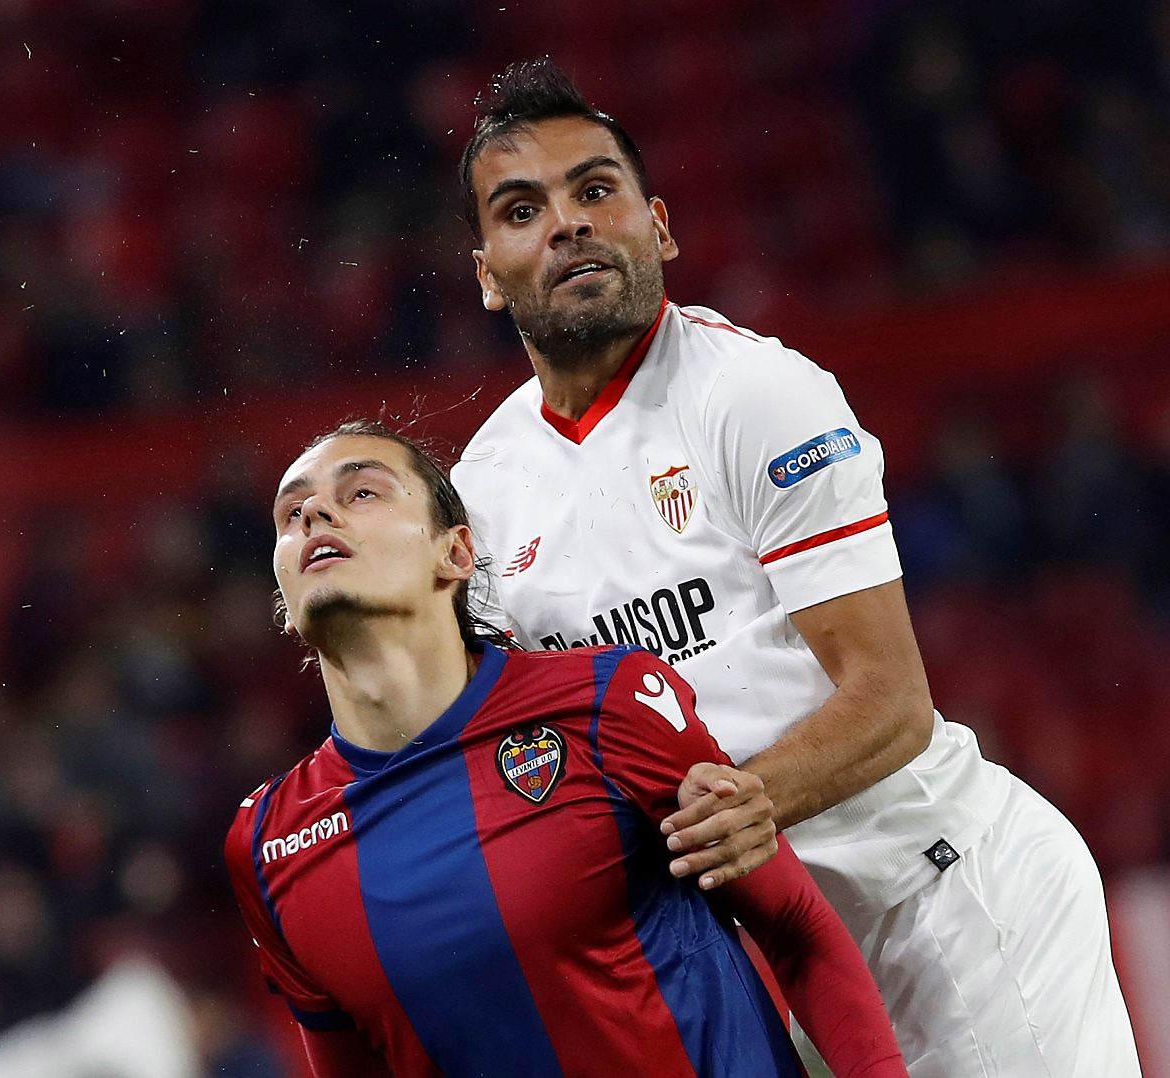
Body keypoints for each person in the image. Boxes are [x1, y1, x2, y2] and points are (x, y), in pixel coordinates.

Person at [450, 56, 1139, 1076]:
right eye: (522, 209)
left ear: (662, 226)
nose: (567, 223)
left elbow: (891, 701)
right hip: (767, 966)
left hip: (945, 909)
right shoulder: (481, 494)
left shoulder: (757, 396)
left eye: (596, 190)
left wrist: (746, 799)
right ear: (486, 272)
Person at [225, 421, 906, 1077]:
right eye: (292, 513)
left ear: (456, 553)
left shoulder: (606, 703)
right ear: (285, 601)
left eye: (361, 492)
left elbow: (793, 923)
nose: (314, 514)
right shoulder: (268, 844)